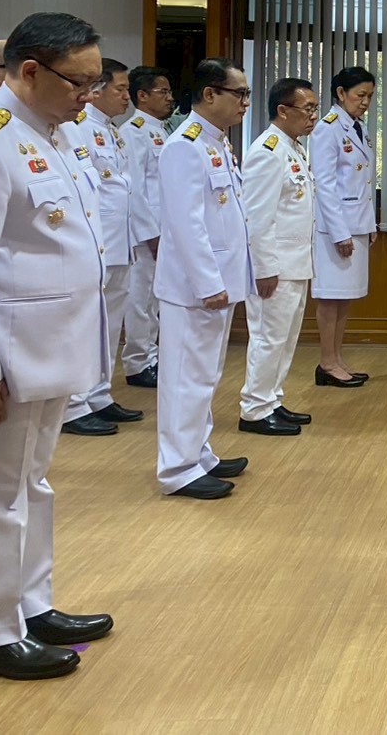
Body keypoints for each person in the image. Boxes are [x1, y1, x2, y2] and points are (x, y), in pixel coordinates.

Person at [0, 12, 114, 680]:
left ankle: (31, 605)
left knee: (32, 485)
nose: (89, 97)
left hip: (48, 349)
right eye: (80, 83)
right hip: (2, 360)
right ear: (31, 71)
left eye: (95, 83)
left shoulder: (51, 131)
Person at [154, 59, 252, 500]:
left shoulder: (215, 142)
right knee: (184, 378)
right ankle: (177, 468)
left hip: (218, 281)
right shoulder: (184, 145)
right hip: (194, 287)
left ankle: (198, 453)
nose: (245, 102)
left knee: (205, 376)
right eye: (239, 93)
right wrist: (208, 283)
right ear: (210, 94)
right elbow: (185, 223)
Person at [62, 59, 144, 436]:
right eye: (121, 89)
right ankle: (74, 403)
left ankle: (99, 394)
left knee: (110, 323)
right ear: (97, 91)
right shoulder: (78, 127)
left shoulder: (111, 130)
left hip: (119, 240)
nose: (127, 96)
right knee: (86, 324)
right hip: (96, 242)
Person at [239, 77, 318, 436]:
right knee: (268, 338)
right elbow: (257, 217)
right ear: (283, 111)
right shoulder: (267, 151)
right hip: (276, 267)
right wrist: (264, 268)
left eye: (315, 109)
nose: (313, 116)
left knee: (285, 339)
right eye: (308, 109)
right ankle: (254, 409)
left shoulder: (293, 148)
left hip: (296, 263)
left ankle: (271, 399)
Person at [310, 66, 377, 387]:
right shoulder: (327, 128)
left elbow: (363, 182)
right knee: (330, 296)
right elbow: (324, 185)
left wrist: (370, 223)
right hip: (335, 230)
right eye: (360, 95)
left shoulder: (358, 127)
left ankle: (336, 359)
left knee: (345, 296)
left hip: (357, 224)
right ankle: (326, 362)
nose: (365, 102)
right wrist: (340, 233)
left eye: (370, 96)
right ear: (340, 93)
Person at [121, 66, 174, 390]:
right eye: (162, 92)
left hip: (164, 229)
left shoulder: (162, 131)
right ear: (142, 96)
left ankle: (152, 358)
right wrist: (150, 233)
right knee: (140, 298)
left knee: (156, 299)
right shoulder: (134, 131)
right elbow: (135, 189)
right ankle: (138, 362)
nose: (169, 98)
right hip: (146, 234)